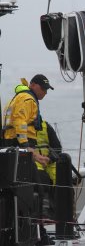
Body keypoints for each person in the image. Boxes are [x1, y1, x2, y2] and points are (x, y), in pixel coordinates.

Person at [2, 74, 54, 245]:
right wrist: (27, 147)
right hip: (19, 147)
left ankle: (27, 233)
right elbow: (20, 121)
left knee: (18, 191)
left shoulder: (21, 97)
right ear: (33, 85)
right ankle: (37, 235)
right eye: (42, 88)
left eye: (47, 90)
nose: (45, 92)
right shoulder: (27, 99)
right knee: (36, 190)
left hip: (13, 147)